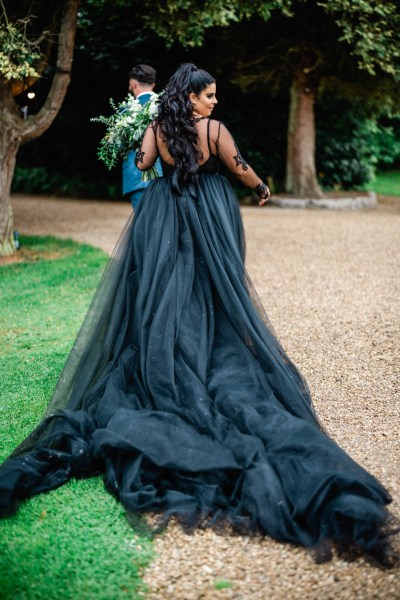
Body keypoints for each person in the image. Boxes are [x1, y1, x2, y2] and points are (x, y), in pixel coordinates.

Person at [0, 64, 396, 566]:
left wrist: (142, 140)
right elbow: (236, 165)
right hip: (208, 208)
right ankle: (207, 344)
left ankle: (179, 341)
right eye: (209, 95)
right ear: (190, 96)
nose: (214, 103)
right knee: (216, 282)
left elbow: (143, 164)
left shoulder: (157, 127)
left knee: (169, 287)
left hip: (165, 212)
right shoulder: (213, 131)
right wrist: (260, 187)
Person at [122, 64, 162, 209]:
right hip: (164, 176)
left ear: (133, 83)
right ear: (153, 84)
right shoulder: (167, 106)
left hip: (136, 176)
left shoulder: (126, 110)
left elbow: (118, 146)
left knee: (143, 225)